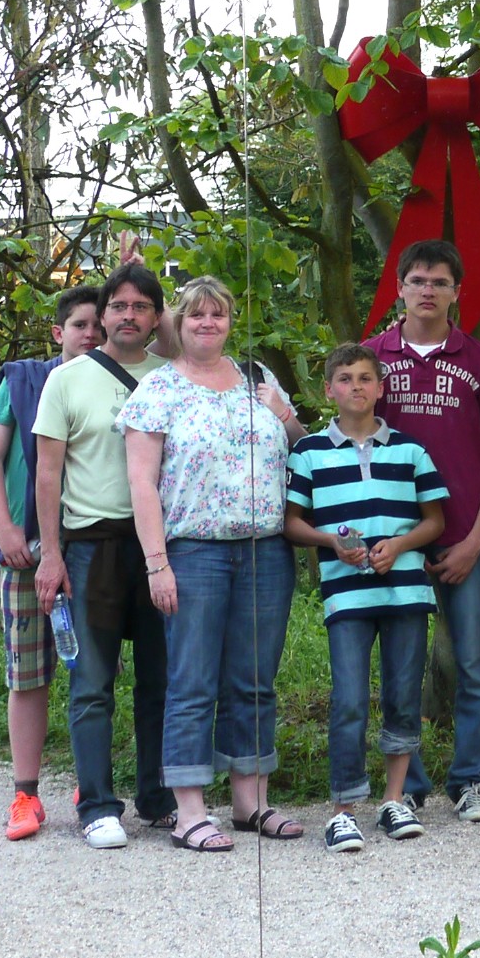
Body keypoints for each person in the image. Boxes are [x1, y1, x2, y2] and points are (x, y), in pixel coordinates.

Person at [118, 275, 307, 852]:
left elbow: (302, 447)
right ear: (179, 322)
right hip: (194, 551)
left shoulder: (257, 378)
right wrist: (157, 563)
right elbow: (142, 484)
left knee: (255, 680)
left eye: (218, 314)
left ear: (230, 321)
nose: (208, 323)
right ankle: (190, 810)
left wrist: (284, 413)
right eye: (197, 314)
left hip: (266, 550)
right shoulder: (159, 389)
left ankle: (251, 801)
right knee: (192, 681)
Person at [369, 239, 480, 823]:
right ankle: (408, 783)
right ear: (400, 288)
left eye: (439, 282)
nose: (427, 290)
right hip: (392, 537)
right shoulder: (372, 357)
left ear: (457, 292)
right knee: (400, 667)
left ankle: (472, 780)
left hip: (465, 535)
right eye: (417, 280)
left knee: (474, 664)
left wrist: (477, 540)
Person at [31, 265, 176, 848]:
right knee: (92, 681)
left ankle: (158, 797)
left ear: (157, 316)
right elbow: (48, 473)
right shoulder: (66, 380)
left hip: (160, 547)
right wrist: (51, 555)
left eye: (142, 306)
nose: (129, 316)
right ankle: (96, 805)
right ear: (103, 313)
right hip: (91, 544)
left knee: (161, 680)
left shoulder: (174, 377)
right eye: (119, 306)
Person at [286, 342, 449, 850]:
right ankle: (344, 808)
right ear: (328, 390)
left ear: (381, 387)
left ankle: (394, 800)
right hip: (347, 595)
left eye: (364, 378)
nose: (355, 387)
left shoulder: (410, 450)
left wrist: (398, 545)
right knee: (350, 700)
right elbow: (292, 522)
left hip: (405, 591)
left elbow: (435, 520)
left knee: (403, 694)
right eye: (345, 379)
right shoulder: (309, 452)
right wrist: (331, 542)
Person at [0, 285, 103, 841]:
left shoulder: (117, 381)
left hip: (92, 548)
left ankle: (89, 783)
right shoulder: (24, 380)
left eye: (99, 325)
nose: (91, 334)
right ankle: (25, 793)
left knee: (92, 672)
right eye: (80, 325)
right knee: (27, 674)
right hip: (26, 552)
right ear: (58, 332)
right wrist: (6, 531)